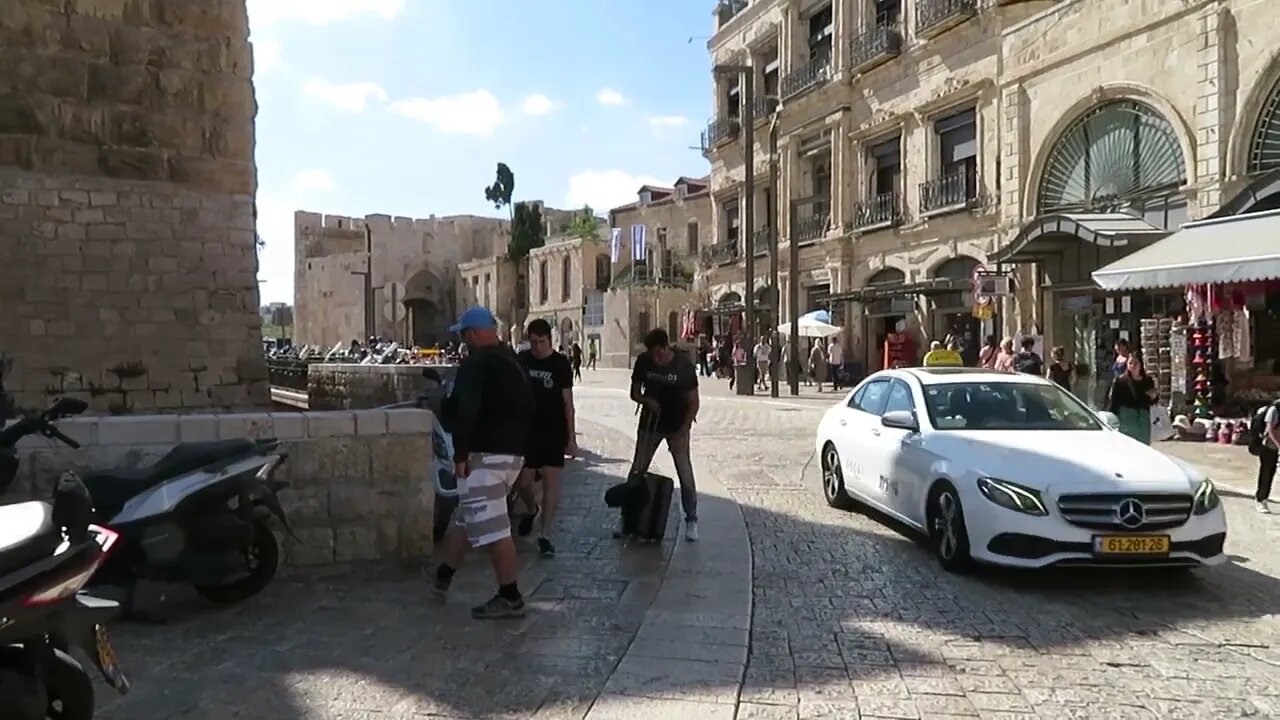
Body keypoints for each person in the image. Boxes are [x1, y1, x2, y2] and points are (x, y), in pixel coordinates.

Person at [431, 306, 534, 619]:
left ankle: (510, 595)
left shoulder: (476, 364)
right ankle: (443, 576)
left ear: (473, 333)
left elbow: (466, 412)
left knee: (494, 530)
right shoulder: (512, 360)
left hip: (486, 456)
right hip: (511, 455)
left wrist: (460, 456)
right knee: (468, 517)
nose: (463, 341)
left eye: (464, 334)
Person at [629, 328, 701, 541]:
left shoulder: (683, 366)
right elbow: (634, 393)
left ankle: (691, 519)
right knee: (637, 468)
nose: (656, 358)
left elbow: (694, 402)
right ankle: (628, 518)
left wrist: (683, 430)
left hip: (676, 423)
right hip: (650, 423)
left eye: (659, 353)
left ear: (667, 347)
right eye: (652, 354)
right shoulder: (644, 361)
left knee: (684, 471)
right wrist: (647, 401)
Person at [514, 320, 576, 557]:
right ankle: (531, 509)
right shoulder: (523, 360)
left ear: (549, 339)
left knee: (551, 481)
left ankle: (546, 534)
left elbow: (568, 403)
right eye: (534, 342)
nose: (538, 347)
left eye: (542, 342)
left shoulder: (560, 364)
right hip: (527, 430)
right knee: (523, 481)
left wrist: (571, 438)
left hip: (553, 430)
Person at [1107, 354, 1157, 445]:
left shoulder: (1148, 380)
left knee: (1143, 446)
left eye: (1136, 363)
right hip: (1127, 418)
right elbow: (1115, 400)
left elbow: (1153, 401)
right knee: (1128, 445)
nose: (1133, 366)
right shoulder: (1121, 381)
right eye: (1130, 363)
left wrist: (1154, 397)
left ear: (1141, 364)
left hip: (1143, 417)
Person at [1254, 399, 1280, 514]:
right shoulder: (1274, 409)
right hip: (1269, 447)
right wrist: (1278, 445)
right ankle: (1261, 499)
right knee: (1267, 473)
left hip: (1276, 446)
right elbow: (1270, 429)